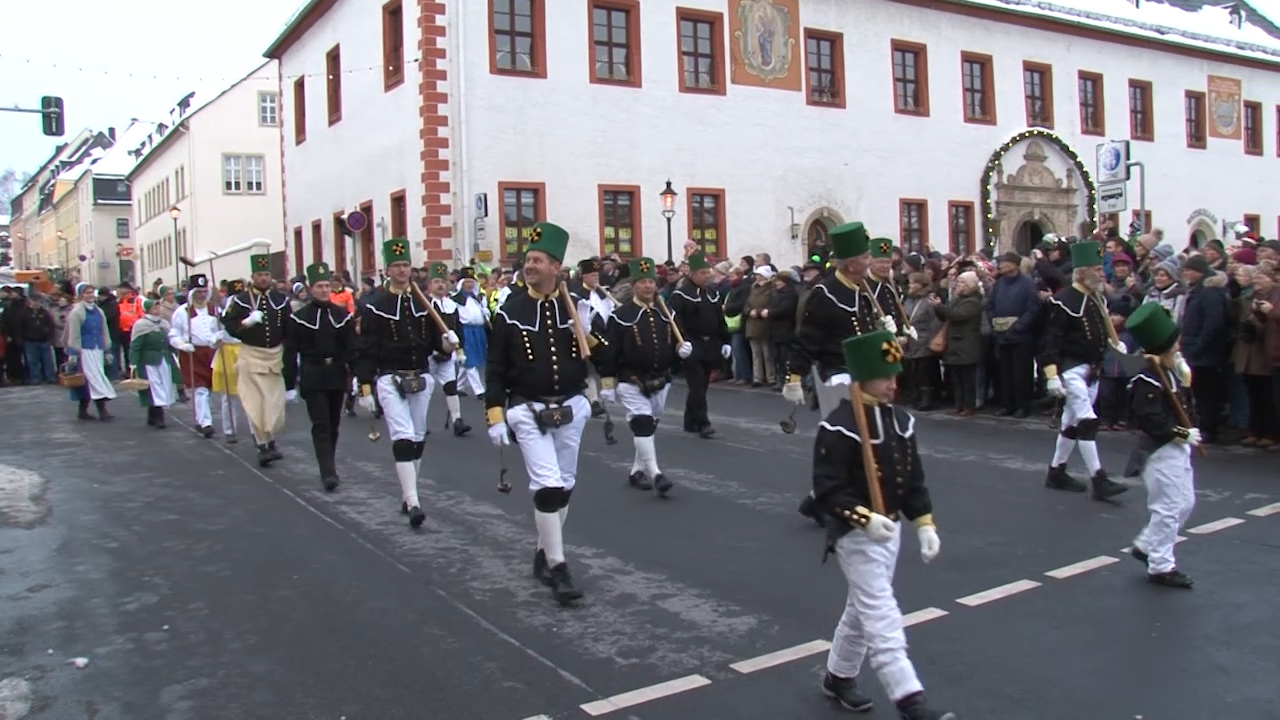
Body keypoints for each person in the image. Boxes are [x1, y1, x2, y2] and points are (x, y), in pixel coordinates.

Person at [811, 330, 955, 720]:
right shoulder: (840, 425)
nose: (893, 385)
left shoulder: (901, 421)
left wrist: (924, 523)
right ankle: (910, 698)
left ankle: (838, 676)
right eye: (885, 377)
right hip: (855, 535)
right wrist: (863, 518)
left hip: (889, 530)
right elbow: (826, 488)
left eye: (895, 376)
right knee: (880, 612)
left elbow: (913, 479)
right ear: (863, 378)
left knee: (861, 608)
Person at [485, 222, 614, 604]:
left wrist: (589, 333)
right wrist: (495, 414)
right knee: (548, 485)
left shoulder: (575, 307)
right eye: (528, 260)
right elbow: (495, 368)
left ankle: (543, 551)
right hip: (527, 407)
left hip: (571, 405)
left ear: (556, 267)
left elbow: (604, 357)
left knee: (566, 483)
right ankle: (559, 566)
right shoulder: (510, 312)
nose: (531, 266)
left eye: (539, 260)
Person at [783, 222, 894, 524]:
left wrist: (888, 340)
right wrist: (794, 376)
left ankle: (821, 498)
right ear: (850, 262)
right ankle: (837, 500)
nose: (870, 261)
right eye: (865, 256)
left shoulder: (864, 288)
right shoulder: (826, 293)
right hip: (836, 373)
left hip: (863, 373)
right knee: (846, 439)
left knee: (862, 440)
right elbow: (808, 338)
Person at [354, 240, 451, 528]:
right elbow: (367, 349)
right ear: (387, 270)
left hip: (420, 375)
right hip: (390, 377)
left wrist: (446, 345)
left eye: (406, 265)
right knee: (403, 436)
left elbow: (435, 342)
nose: (402, 270)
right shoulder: (376, 307)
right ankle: (415, 502)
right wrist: (365, 386)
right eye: (397, 266)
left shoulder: (424, 303)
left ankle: (408, 494)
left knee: (418, 438)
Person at [1039, 240, 1128, 501]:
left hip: (1092, 370)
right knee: (1088, 421)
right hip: (1072, 370)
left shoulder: (1096, 298)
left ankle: (1056, 471)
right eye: (1097, 270)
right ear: (1082, 272)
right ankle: (1099, 479)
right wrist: (1051, 374)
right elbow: (1050, 340)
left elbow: (1102, 330)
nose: (1102, 274)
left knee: (1072, 423)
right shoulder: (1063, 301)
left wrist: (1114, 342)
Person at [1123, 302, 1201, 589]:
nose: (1179, 346)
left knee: (1185, 503)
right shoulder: (1147, 378)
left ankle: (1146, 545)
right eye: (1175, 343)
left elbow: (1182, 405)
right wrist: (1183, 432)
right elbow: (1150, 419)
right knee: (1167, 507)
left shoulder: (1169, 372)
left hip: (1176, 447)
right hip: (1158, 451)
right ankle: (1161, 565)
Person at [602, 256, 690, 496]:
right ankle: (656, 473)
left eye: (651, 282)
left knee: (649, 426)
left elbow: (677, 335)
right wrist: (608, 381)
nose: (648, 286)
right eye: (642, 282)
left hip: (662, 378)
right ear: (634, 286)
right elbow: (611, 351)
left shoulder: (666, 311)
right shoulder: (621, 315)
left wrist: (681, 349)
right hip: (631, 379)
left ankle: (636, 471)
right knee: (641, 422)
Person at [285, 262, 358, 492]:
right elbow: (290, 351)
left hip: (336, 373)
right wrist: (289, 383)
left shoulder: (342, 315)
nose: (324, 290)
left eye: (327, 286)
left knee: (334, 424)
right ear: (310, 289)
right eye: (319, 286)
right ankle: (327, 471)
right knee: (321, 425)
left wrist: (357, 375)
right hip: (313, 374)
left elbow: (351, 348)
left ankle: (330, 463)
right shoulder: (300, 317)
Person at [222, 254, 295, 467]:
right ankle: (262, 444)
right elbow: (228, 323)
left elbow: (289, 329)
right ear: (252, 276)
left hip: (275, 355)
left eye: (266, 274)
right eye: (259, 274)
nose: (263, 278)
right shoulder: (241, 300)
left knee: (273, 403)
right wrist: (246, 323)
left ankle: (271, 439)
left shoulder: (281, 300)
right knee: (255, 402)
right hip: (251, 355)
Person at [666, 250, 731, 438]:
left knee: (702, 384)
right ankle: (703, 422)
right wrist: (681, 342)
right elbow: (674, 321)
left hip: (710, 344)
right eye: (702, 273)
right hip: (692, 343)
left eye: (708, 272)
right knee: (696, 384)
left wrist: (725, 340)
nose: (707, 276)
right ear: (692, 274)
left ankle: (690, 420)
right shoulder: (681, 294)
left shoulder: (712, 292)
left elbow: (720, 318)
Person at [169, 274, 222, 438]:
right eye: (198, 292)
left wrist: (218, 337)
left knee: (213, 388)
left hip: (212, 352)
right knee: (200, 389)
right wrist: (182, 345)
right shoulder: (182, 312)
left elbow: (222, 329)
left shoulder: (214, 310)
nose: (201, 295)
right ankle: (205, 422)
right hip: (192, 353)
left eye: (204, 291)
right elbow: (173, 334)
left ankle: (205, 418)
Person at [425, 261, 469, 437]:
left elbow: (458, 328)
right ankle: (420, 422)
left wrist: (460, 349)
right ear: (430, 285)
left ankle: (457, 420)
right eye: (436, 281)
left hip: (447, 353)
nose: (441, 285)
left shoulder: (451, 306)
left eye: (443, 281)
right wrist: (433, 348)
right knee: (424, 390)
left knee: (451, 386)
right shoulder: (425, 305)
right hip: (429, 354)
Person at [571, 257, 617, 416]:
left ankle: (601, 394)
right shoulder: (576, 295)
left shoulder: (603, 293)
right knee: (590, 366)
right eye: (592, 276)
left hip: (604, 332)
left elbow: (609, 312)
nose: (595, 279)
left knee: (603, 360)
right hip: (587, 334)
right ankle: (594, 399)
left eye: (597, 276)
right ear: (584, 277)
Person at [65, 282, 117, 420]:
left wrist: (107, 349)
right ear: (81, 295)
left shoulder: (99, 311)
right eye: (87, 293)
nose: (90, 295)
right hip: (84, 350)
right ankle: (100, 410)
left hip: (97, 349)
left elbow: (104, 331)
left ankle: (85, 411)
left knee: (96, 377)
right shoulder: (77, 312)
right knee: (90, 379)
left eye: (92, 292)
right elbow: (74, 334)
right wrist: (73, 353)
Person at [129, 298, 182, 429]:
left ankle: (152, 415)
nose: (157, 310)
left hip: (164, 359)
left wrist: (177, 351)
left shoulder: (164, 323)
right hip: (149, 362)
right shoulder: (141, 325)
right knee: (155, 387)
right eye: (154, 308)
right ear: (148, 310)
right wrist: (133, 363)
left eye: (158, 308)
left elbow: (170, 341)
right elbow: (135, 346)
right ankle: (159, 417)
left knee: (165, 386)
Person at [212, 279, 245, 444]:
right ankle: (229, 428)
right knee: (229, 395)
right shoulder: (221, 315)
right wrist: (217, 338)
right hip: (227, 352)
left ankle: (258, 431)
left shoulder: (250, 312)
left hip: (246, 352)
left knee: (251, 394)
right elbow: (212, 337)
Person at [453, 267, 490, 397]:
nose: (469, 285)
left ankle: (458, 386)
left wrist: (486, 312)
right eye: (466, 282)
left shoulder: (478, 298)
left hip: (478, 331)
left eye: (471, 282)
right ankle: (479, 390)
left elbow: (483, 313)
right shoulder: (455, 300)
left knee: (469, 361)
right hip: (465, 331)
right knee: (470, 361)